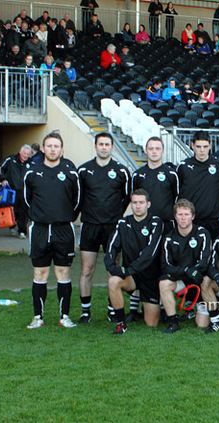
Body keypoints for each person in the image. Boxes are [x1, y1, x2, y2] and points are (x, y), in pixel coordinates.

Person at [23, 132, 80, 329]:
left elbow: (77, 200)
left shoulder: (71, 173)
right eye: (49, 146)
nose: (53, 149)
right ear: (43, 149)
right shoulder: (32, 172)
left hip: (63, 229)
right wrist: (40, 215)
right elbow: (26, 200)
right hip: (39, 229)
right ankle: (38, 317)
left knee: (63, 271)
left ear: (62, 149)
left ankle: (64, 316)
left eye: (56, 146)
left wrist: (64, 215)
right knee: (40, 273)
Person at [77, 133, 131, 323]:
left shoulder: (122, 171)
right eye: (101, 144)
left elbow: (126, 198)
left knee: (112, 270)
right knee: (87, 269)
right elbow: (79, 197)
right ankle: (85, 312)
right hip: (90, 226)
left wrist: (115, 216)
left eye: (107, 144)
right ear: (95, 146)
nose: (104, 147)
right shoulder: (83, 170)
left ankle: (112, 309)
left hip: (112, 228)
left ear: (112, 147)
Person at [105, 189, 165, 333]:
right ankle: (121, 323)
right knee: (113, 281)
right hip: (131, 278)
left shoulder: (156, 222)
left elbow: (149, 253)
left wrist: (129, 269)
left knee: (151, 324)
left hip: (150, 277)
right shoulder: (123, 223)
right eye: (134, 203)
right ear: (131, 205)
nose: (138, 206)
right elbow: (111, 247)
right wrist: (112, 266)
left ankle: (152, 306)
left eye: (141, 203)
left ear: (148, 204)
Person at [158, 199, 212, 333]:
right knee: (164, 283)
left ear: (193, 216)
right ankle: (173, 322)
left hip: (199, 282)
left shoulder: (203, 234)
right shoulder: (169, 237)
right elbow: (166, 266)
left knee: (202, 325)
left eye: (186, 214)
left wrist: (191, 272)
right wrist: (187, 270)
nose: (183, 218)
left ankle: (198, 308)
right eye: (180, 214)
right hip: (182, 280)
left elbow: (204, 263)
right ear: (175, 216)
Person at [176, 132, 219, 239]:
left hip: (213, 221)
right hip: (190, 220)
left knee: (212, 252)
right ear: (192, 145)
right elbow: (177, 192)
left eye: (205, 146)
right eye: (198, 146)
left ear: (210, 146)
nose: (202, 150)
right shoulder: (183, 166)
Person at [132, 136, 179, 227]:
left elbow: (177, 198)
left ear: (162, 151)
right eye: (151, 148)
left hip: (166, 224)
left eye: (157, 148)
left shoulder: (172, 174)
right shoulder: (137, 174)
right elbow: (134, 199)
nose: (154, 151)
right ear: (146, 150)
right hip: (144, 224)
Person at [0, 145, 33, 239]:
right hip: (11, 190)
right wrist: (3, 179)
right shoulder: (10, 159)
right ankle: (12, 226)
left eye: (28, 154)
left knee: (24, 212)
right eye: (24, 153)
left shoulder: (31, 163)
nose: (26, 156)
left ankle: (22, 231)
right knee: (13, 211)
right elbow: (0, 168)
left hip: (24, 192)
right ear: (20, 152)